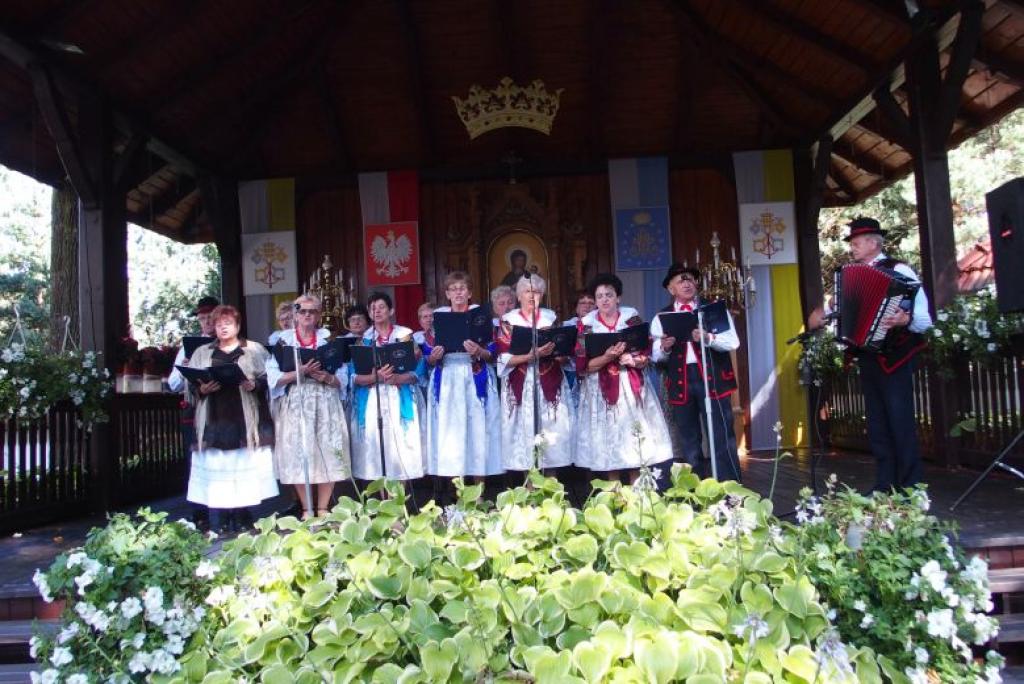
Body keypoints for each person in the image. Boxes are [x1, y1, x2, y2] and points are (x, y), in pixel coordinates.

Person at [808, 217, 932, 491]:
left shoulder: (899, 270)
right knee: (877, 426)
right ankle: (884, 485)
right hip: (868, 357)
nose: (852, 247)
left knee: (900, 422)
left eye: (856, 242)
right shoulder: (849, 276)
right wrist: (823, 312)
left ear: (874, 243)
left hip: (895, 357)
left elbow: (924, 319)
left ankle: (911, 487)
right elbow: (829, 312)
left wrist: (905, 319)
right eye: (852, 243)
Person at [184, 305, 278, 533]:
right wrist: (201, 389)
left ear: (237, 325)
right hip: (214, 417)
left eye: (228, 323)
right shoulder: (202, 352)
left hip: (244, 416)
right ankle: (223, 517)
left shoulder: (254, 350)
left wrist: (255, 384)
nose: (223, 328)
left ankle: (243, 514)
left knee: (243, 464)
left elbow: (271, 376)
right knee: (219, 464)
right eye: (218, 324)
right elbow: (190, 384)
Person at [574, 273, 673, 483]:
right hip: (600, 391)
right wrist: (607, 357)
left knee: (634, 441)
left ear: (618, 297)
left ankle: (639, 492)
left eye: (609, 295)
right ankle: (615, 495)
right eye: (599, 296)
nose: (604, 300)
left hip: (630, 384)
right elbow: (583, 367)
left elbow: (646, 355)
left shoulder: (631, 319)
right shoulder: (586, 326)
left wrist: (633, 360)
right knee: (609, 441)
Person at [651, 263, 742, 482]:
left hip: (713, 380)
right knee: (689, 440)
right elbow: (655, 356)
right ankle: (696, 489)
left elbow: (733, 342)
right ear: (671, 288)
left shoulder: (714, 309)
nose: (687, 284)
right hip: (681, 382)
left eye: (690, 279)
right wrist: (664, 347)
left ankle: (730, 488)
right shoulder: (662, 316)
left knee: (722, 436)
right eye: (680, 281)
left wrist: (709, 338)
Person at [266, 295, 351, 518]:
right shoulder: (284, 342)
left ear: (319, 315)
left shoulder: (328, 340)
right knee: (298, 451)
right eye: (302, 311)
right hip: (297, 400)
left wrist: (327, 377)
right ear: (295, 315)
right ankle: (306, 508)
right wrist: (300, 372)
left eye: (312, 311)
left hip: (324, 398)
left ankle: (322, 507)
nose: (307, 315)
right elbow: (273, 377)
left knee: (328, 449)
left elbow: (343, 376)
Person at [425, 271, 504, 501]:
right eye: (453, 289)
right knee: (452, 434)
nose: (458, 292)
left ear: (469, 293)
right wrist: (434, 357)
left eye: (462, 288)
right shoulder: (438, 321)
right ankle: (458, 495)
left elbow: (493, 353)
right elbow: (428, 357)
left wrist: (480, 351)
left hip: (475, 375)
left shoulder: (482, 318)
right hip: (448, 378)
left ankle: (478, 495)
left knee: (479, 431)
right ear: (447, 294)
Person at [495, 274, 575, 476]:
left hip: (550, 380)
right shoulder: (508, 321)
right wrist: (531, 355)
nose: (532, 296)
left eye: (537, 292)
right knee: (525, 435)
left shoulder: (551, 319)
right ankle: (530, 488)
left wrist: (560, 352)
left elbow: (564, 353)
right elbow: (503, 357)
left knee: (551, 432)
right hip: (522, 382)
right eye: (527, 292)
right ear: (519, 296)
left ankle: (551, 487)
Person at [351, 292, 426, 483]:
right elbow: (354, 376)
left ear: (391, 311)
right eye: (372, 308)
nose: (376, 311)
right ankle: (384, 497)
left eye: (381, 307)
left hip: (400, 394)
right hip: (374, 398)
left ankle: (400, 498)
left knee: (401, 448)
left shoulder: (404, 336)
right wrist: (373, 377)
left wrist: (399, 377)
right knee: (378, 447)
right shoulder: (363, 340)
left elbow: (419, 368)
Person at [167, 295, 219, 530]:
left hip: (222, 408)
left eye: (210, 317)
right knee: (196, 462)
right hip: (195, 410)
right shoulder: (187, 348)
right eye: (202, 318)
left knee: (227, 457)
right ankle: (200, 514)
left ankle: (232, 512)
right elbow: (173, 384)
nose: (206, 322)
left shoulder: (227, 343)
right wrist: (185, 366)